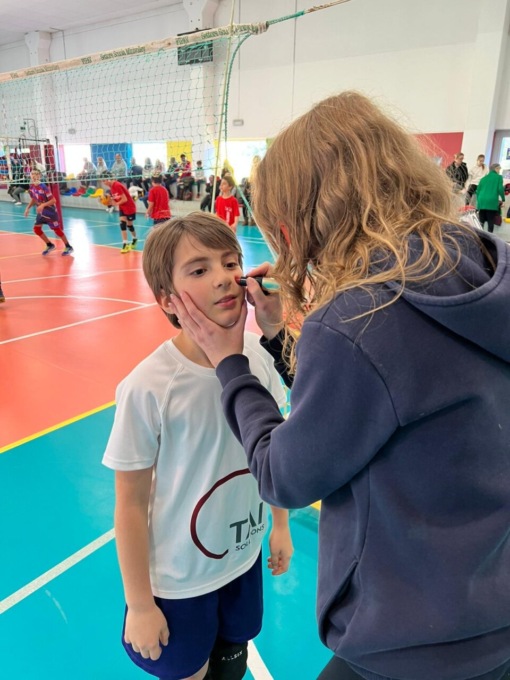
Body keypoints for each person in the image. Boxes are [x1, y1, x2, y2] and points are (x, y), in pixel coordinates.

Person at [170, 91, 510, 680]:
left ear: (302, 217)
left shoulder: (360, 317)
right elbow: (368, 405)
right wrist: (280, 338)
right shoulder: (488, 260)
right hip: (491, 604)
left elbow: (284, 476)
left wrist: (231, 363)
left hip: (409, 639)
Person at [102, 212, 293, 680]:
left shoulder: (260, 357)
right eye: (199, 269)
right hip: (180, 582)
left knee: (233, 659)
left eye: (230, 263)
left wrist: (280, 525)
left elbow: (274, 448)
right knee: (190, 670)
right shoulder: (149, 387)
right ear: (167, 299)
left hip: (243, 557)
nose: (224, 278)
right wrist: (139, 604)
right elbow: (130, 504)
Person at [24, 169, 73, 256]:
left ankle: (68, 246)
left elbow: (53, 200)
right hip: (41, 211)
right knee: (36, 229)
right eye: (32, 174)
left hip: (50, 212)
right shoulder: (31, 187)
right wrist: (27, 208)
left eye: (36, 174)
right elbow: (34, 199)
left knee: (57, 230)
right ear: (30, 176)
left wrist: (43, 205)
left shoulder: (44, 187)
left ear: (40, 176)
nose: (34, 176)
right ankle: (49, 245)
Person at [102, 173, 138, 253]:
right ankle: (125, 244)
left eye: (104, 180)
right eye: (102, 181)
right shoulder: (111, 187)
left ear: (109, 179)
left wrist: (116, 204)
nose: (103, 183)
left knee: (130, 226)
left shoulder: (117, 185)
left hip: (129, 207)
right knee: (122, 224)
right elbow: (115, 199)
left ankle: (135, 238)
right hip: (122, 207)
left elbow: (125, 199)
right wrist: (108, 202)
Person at [476, 162, 505, 233]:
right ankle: (489, 237)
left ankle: (480, 237)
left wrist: (479, 202)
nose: (499, 171)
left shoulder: (483, 178)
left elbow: (477, 191)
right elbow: (500, 189)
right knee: (490, 220)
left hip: (481, 201)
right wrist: (503, 199)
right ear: (496, 169)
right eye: (499, 169)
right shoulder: (499, 177)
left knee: (481, 222)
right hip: (491, 202)